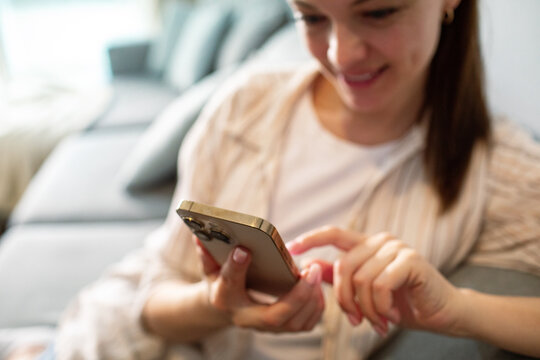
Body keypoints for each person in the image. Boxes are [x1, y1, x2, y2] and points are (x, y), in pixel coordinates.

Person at [28, 0, 540, 359]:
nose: (341, 53)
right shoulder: (244, 107)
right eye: (311, 17)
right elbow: (153, 299)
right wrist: (219, 306)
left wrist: (458, 309)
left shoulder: (500, 167)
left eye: (378, 12)